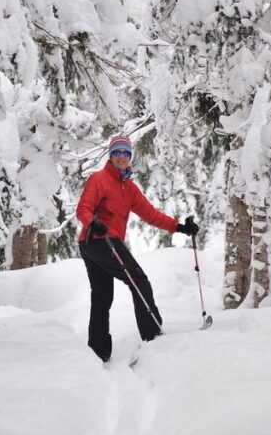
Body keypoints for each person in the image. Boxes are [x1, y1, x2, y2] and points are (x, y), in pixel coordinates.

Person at [76, 134, 200, 361]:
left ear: (130, 157)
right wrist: (93, 222)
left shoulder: (129, 188)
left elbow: (151, 214)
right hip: (99, 240)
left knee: (103, 296)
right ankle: (152, 336)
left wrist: (179, 227)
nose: (122, 157)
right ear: (111, 155)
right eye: (118, 152)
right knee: (138, 280)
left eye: (126, 153)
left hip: (98, 244)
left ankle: (98, 351)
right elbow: (83, 208)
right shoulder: (99, 179)